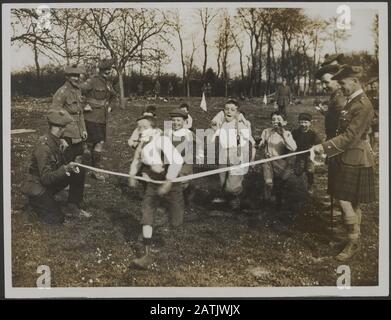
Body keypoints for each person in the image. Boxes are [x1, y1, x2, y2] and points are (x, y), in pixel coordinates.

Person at [312, 65, 376, 261]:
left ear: (354, 81)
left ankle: (353, 242)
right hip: (346, 155)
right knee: (350, 201)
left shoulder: (363, 105)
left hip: (355, 157)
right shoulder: (351, 101)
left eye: (343, 83)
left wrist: (323, 147)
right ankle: (351, 238)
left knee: (345, 200)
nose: (340, 87)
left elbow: (350, 137)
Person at [128, 115, 184, 269]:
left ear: (153, 129)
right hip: (152, 181)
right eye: (139, 127)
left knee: (176, 220)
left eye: (144, 127)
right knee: (147, 210)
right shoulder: (142, 143)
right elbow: (136, 160)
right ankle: (147, 253)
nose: (141, 130)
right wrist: (132, 175)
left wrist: (168, 182)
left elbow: (177, 161)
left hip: (170, 179)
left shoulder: (162, 140)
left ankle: (173, 216)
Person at [21, 109, 91, 225]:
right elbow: (45, 178)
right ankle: (33, 206)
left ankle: (72, 206)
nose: (66, 130)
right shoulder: (44, 147)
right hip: (38, 186)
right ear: (60, 128)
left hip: (48, 183)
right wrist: (66, 169)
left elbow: (56, 166)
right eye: (65, 127)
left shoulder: (57, 141)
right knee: (56, 219)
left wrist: (65, 155)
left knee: (78, 170)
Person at [50, 65, 89, 212]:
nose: (77, 78)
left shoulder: (77, 90)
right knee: (65, 172)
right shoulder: (62, 92)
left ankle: (75, 202)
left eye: (78, 76)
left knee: (79, 170)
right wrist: (60, 138)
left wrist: (83, 129)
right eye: (74, 76)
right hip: (66, 137)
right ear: (67, 77)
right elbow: (53, 114)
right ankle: (44, 196)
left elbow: (79, 114)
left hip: (78, 136)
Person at [211, 99, 256, 210]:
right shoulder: (222, 123)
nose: (229, 112)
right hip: (223, 155)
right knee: (223, 182)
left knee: (232, 186)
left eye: (232, 109)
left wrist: (250, 157)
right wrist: (220, 115)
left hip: (237, 156)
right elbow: (213, 123)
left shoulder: (240, 124)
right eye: (226, 109)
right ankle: (227, 199)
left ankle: (236, 197)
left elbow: (251, 141)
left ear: (237, 112)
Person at [82, 58, 118, 181]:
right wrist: (83, 105)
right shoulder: (93, 80)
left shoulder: (108, 82)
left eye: (109, 69)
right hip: (90, 117)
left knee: (97, 142)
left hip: (102, 118)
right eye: (106, 69)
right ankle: (92, 168)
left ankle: (93, 168)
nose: (108, 71)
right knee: (92, 143)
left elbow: (113, 96)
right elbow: (77, 91)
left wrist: (110, 107)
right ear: (101, 69)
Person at [166, 108, 204, 206]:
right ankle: (177, 199)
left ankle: (186, 195)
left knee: (183, 181)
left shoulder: (188, 133)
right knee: (173, 180)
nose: (175, 122)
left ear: (184, 121)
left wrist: (200, 154)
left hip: (186, 161)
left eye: (178, 120)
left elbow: (199, 143)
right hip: (173, 161)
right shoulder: (168, 132)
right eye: (173, 120)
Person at [258, 112, 297, 207]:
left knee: (280, 183)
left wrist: (283, 134)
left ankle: (278, 199)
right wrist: (260, 144)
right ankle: (266, 201)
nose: (275, 122)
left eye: (278, 120)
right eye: (273, 119)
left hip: (280, 162)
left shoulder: (287, 133)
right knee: (268, 182)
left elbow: (293, 148)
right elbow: (261, 144)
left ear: (285, 122)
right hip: (267, 160)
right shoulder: (266, 131)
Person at [292, 113, 322, 194]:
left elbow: (318, 144)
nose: (303, 124)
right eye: (301, 122)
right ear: (299, 122)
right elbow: (290, 142)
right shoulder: (295, 132)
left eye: (305, 122)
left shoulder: (313, 134)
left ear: (310, 123)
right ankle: (299, 185)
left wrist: (316, 148)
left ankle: (310, 185)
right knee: (298, 172)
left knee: (310, 171)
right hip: (299, 156)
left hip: (309, 156)